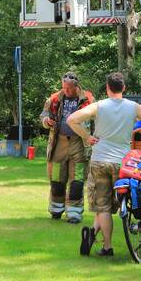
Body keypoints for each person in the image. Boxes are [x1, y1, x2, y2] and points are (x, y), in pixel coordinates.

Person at [68, 72, 141, 257]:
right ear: (124, 88)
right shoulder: (133, 107)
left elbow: (72, 120)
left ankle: (107, 247)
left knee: (103, 207)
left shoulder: (99, 106)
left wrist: (86, 137)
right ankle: (98, 233)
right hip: (123, 164)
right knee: (122, 203)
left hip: (100, 161)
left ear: (107, 88)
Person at [39, 72, 95, 223]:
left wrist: (94, 139)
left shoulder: (88, 99)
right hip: (59, 144)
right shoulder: (54, 98)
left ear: (77, 86)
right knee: (56, 179)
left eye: (69, 89)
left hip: (79, 143)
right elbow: (43, 115)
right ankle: (56, 210)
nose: (66, 91)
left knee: (77, 181)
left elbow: (96, 120)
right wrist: (46, 121)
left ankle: (74, 213)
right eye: (64, 87)